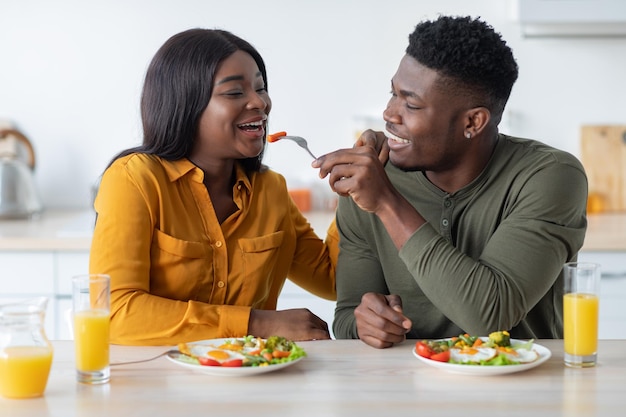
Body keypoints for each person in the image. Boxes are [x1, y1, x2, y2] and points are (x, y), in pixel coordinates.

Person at [313, 15, 587, 349]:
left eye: (411, 103)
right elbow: (346, 316)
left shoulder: (550, 176)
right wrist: (367, 324)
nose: (389, 113)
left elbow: (491, 314)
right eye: (393, 94)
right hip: (407, 390)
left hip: (520, 390)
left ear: (473, 121)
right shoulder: (373, 180)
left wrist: (387, 203)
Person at [90, 28, 345, 345]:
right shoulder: (135, 180)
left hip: (253, 383)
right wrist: (255, 323)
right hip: (156, 385)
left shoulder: (271, 190)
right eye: (235, 92)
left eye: (260, 88)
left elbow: (335, 280)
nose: (260, 102)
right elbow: (114, 312)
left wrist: (353, 196)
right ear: (185, 104)